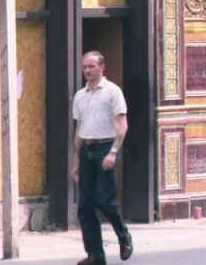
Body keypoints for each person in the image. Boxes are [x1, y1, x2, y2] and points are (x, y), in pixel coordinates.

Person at [72, 51, 133, 265]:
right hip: (87, 151)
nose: (87, 71)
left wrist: (113, 152)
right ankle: (96, 254)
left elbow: (123, 125)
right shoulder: (80, 95)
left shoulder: (112, 91)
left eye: (91, 66)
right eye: (85, 67)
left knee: (104, 200)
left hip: (106, 148)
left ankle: (123, 235)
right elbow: (80, 128)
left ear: (102, 67)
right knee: (85, 206)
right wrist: (76, 159)